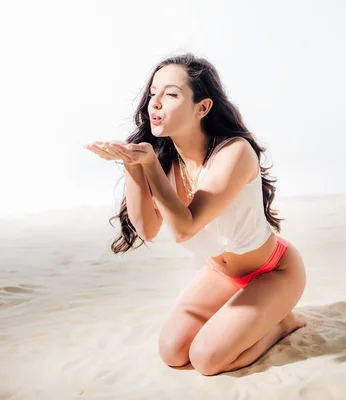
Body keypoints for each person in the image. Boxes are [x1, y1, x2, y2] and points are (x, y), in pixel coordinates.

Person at [84, 53, 306, 376]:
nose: (155, 104)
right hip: (221, 274)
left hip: (274, 272)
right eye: (153, 93)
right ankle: (252, 319)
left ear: (202, 108)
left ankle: (281, 324)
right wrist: (133, 164)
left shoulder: (234, 153)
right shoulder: (163, 159)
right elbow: (146, 228)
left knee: (207, 359)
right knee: (172, 351)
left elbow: (184, 229)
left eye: (170, 94)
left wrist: (148, 166)